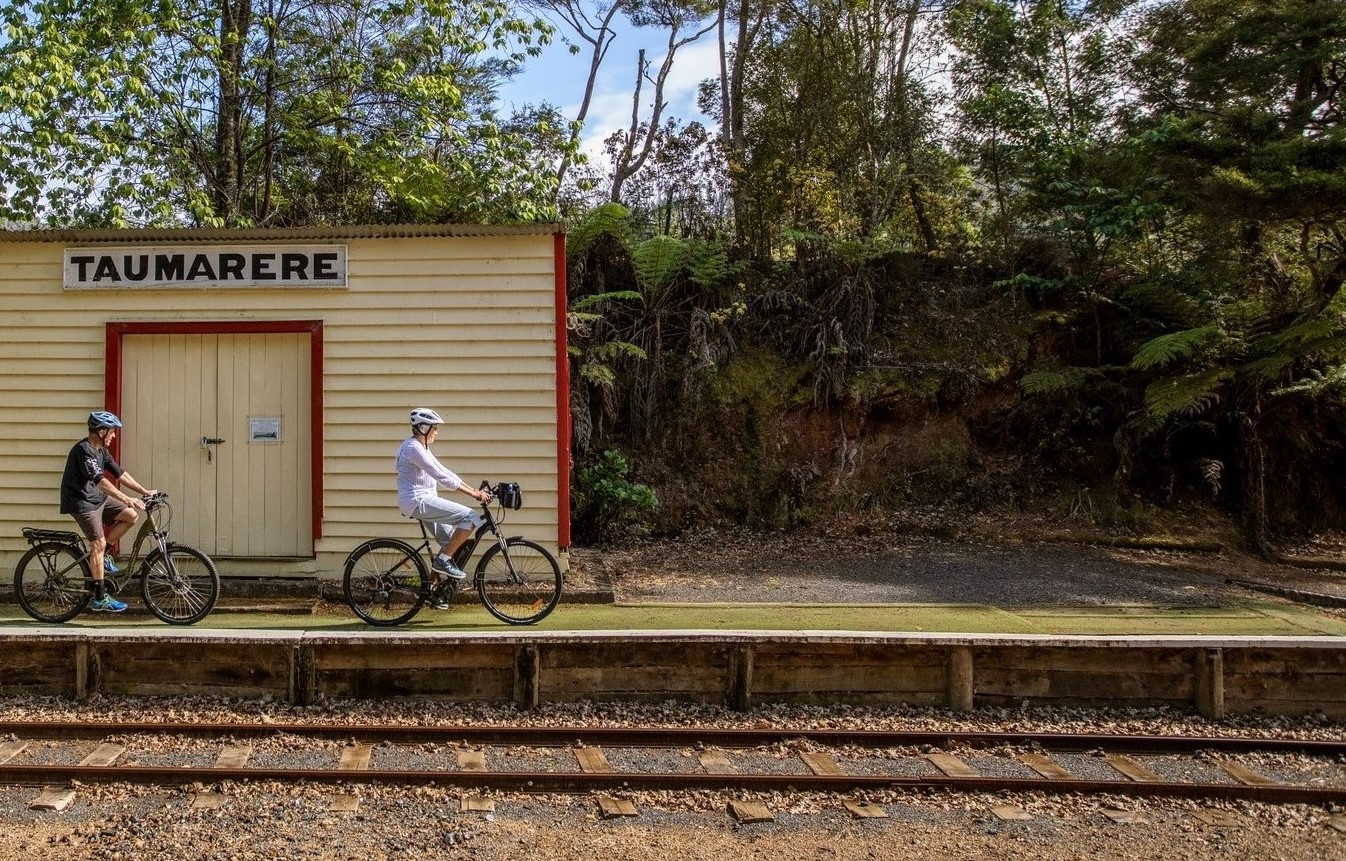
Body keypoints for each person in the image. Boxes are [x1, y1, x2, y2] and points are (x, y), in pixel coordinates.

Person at [59, 411, 157, 613]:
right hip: (80, 502)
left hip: (93, 497)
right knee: (98, 543)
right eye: (112, 432)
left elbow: (119, 474)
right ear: (102, 431)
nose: (114, 435)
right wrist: (127, 498)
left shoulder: (102, 450)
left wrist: (145, 491)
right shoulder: (84, 451)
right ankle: (99, 597)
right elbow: (101, 482)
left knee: (130, 515)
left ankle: (102, 557)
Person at [396, 408, 490, 609]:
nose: (436, 432)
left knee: (450, 543)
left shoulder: (422, 448)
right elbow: (441, 477)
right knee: (471, 517)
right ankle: (443, 562)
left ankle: (432, 590)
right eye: (434, 428)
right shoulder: (413, 448)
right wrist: (474, 494)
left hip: (424, 499)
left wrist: (474, 489)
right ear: (423, 428)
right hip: (417, 501)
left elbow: (445, 471)